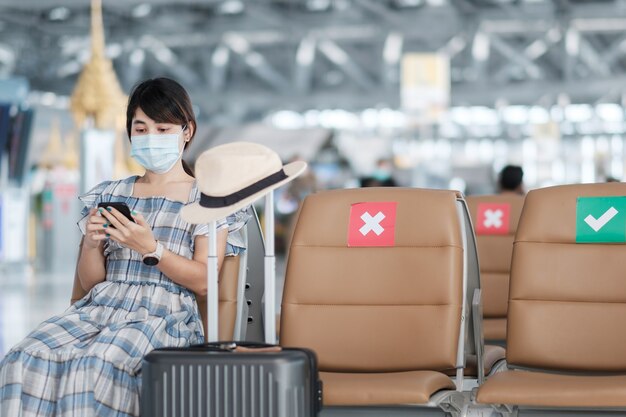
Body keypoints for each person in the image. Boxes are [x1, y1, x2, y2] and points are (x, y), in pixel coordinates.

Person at [0, 78, 230, 416]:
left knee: (95, 364)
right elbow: (88, 286)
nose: (151, 137)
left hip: (163, 315)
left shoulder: (208, 199)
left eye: (163, 128)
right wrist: (92, 245)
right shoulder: (109, 194)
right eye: (141, 128)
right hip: (98, 309)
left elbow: (204, 280)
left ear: (187, 131)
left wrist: (152, 248)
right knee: (23, 356)